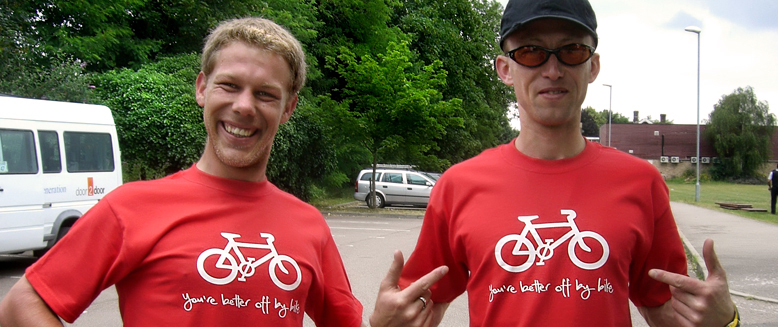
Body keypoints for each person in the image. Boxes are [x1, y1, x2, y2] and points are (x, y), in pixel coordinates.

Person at [369, 0, 739, 326]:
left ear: (592, 66)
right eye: (530, 52)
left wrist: (725, 322)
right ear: (504, 68)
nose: (552, 69)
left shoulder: (641, 182)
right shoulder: (459, 185)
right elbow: (417, 313)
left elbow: (667, 313)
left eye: (572, 51)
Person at [0, 17, 365, 327]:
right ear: (203, 88)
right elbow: (23, 304)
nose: (243, 106)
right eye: (230, 85)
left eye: (266, 94)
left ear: (288, 108)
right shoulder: (131, 207)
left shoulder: (309, 225)